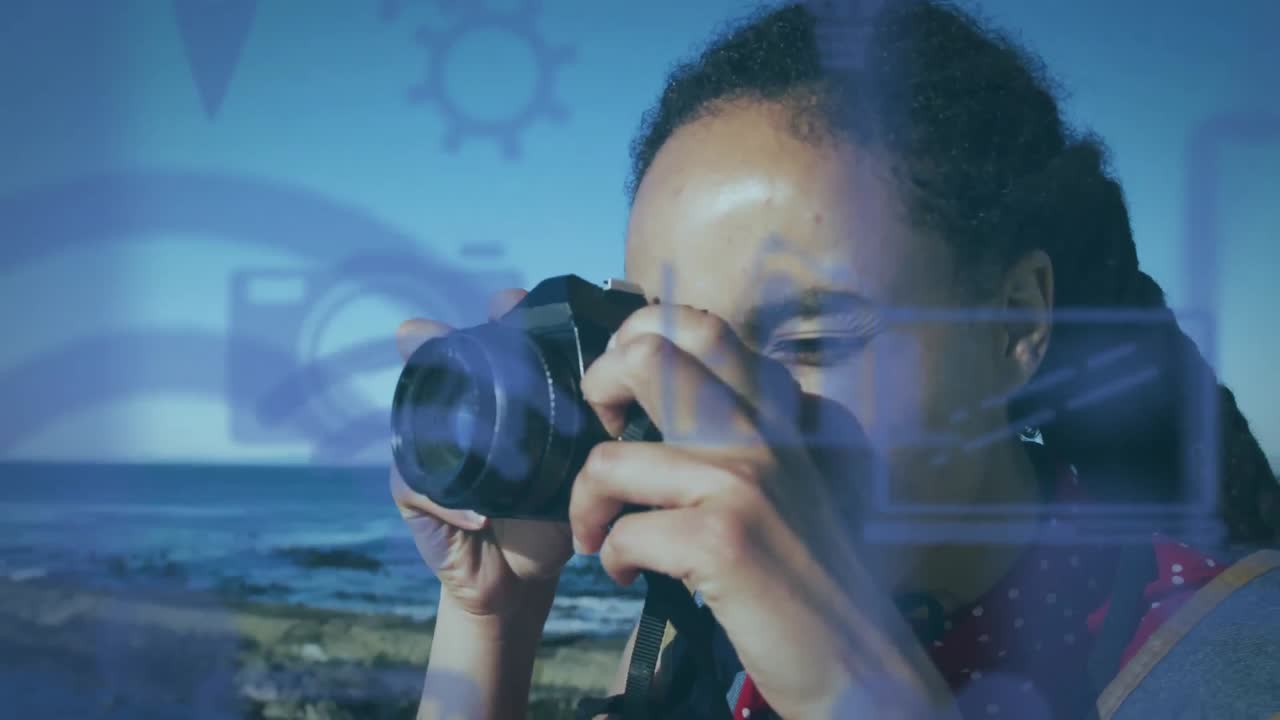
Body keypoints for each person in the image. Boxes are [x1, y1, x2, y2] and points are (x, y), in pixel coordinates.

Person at [390, 2, 1280, 718]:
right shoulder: (705, 633)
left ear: (1015, 322)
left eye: (811, 340)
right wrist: (492, 618)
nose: (721, 415)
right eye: (670, 345)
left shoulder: (1232, 661)